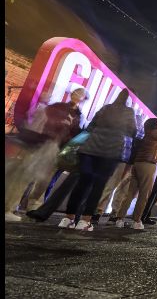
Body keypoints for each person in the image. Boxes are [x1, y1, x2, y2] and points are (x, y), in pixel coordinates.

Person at [58, 89, 137, 231]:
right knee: (98, 186)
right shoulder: (129, 112)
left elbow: (90, 127)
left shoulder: (106, 108)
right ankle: (85, 221)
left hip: (89, 150)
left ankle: (68, 219)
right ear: (128, 101)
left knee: (82, 184)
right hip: (110, 153)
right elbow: (133, 132)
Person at [5, 88, 86, 221]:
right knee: (27, 174)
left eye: (80, 96)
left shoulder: (77, 115)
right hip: (45, 143)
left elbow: (72, 133)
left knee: (43, 179)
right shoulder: (59, 107)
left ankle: (32, 206)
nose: (77, 98)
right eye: (76, 94)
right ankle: (13, 206)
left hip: (55, 147)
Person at [114, 117, 157, 230]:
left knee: (131, 193)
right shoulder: (155, 133)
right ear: (155, 125)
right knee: (144, 194)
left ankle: (119, 219)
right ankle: (136, 221)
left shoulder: (151, 133)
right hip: (149, 164)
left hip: (138, 163)